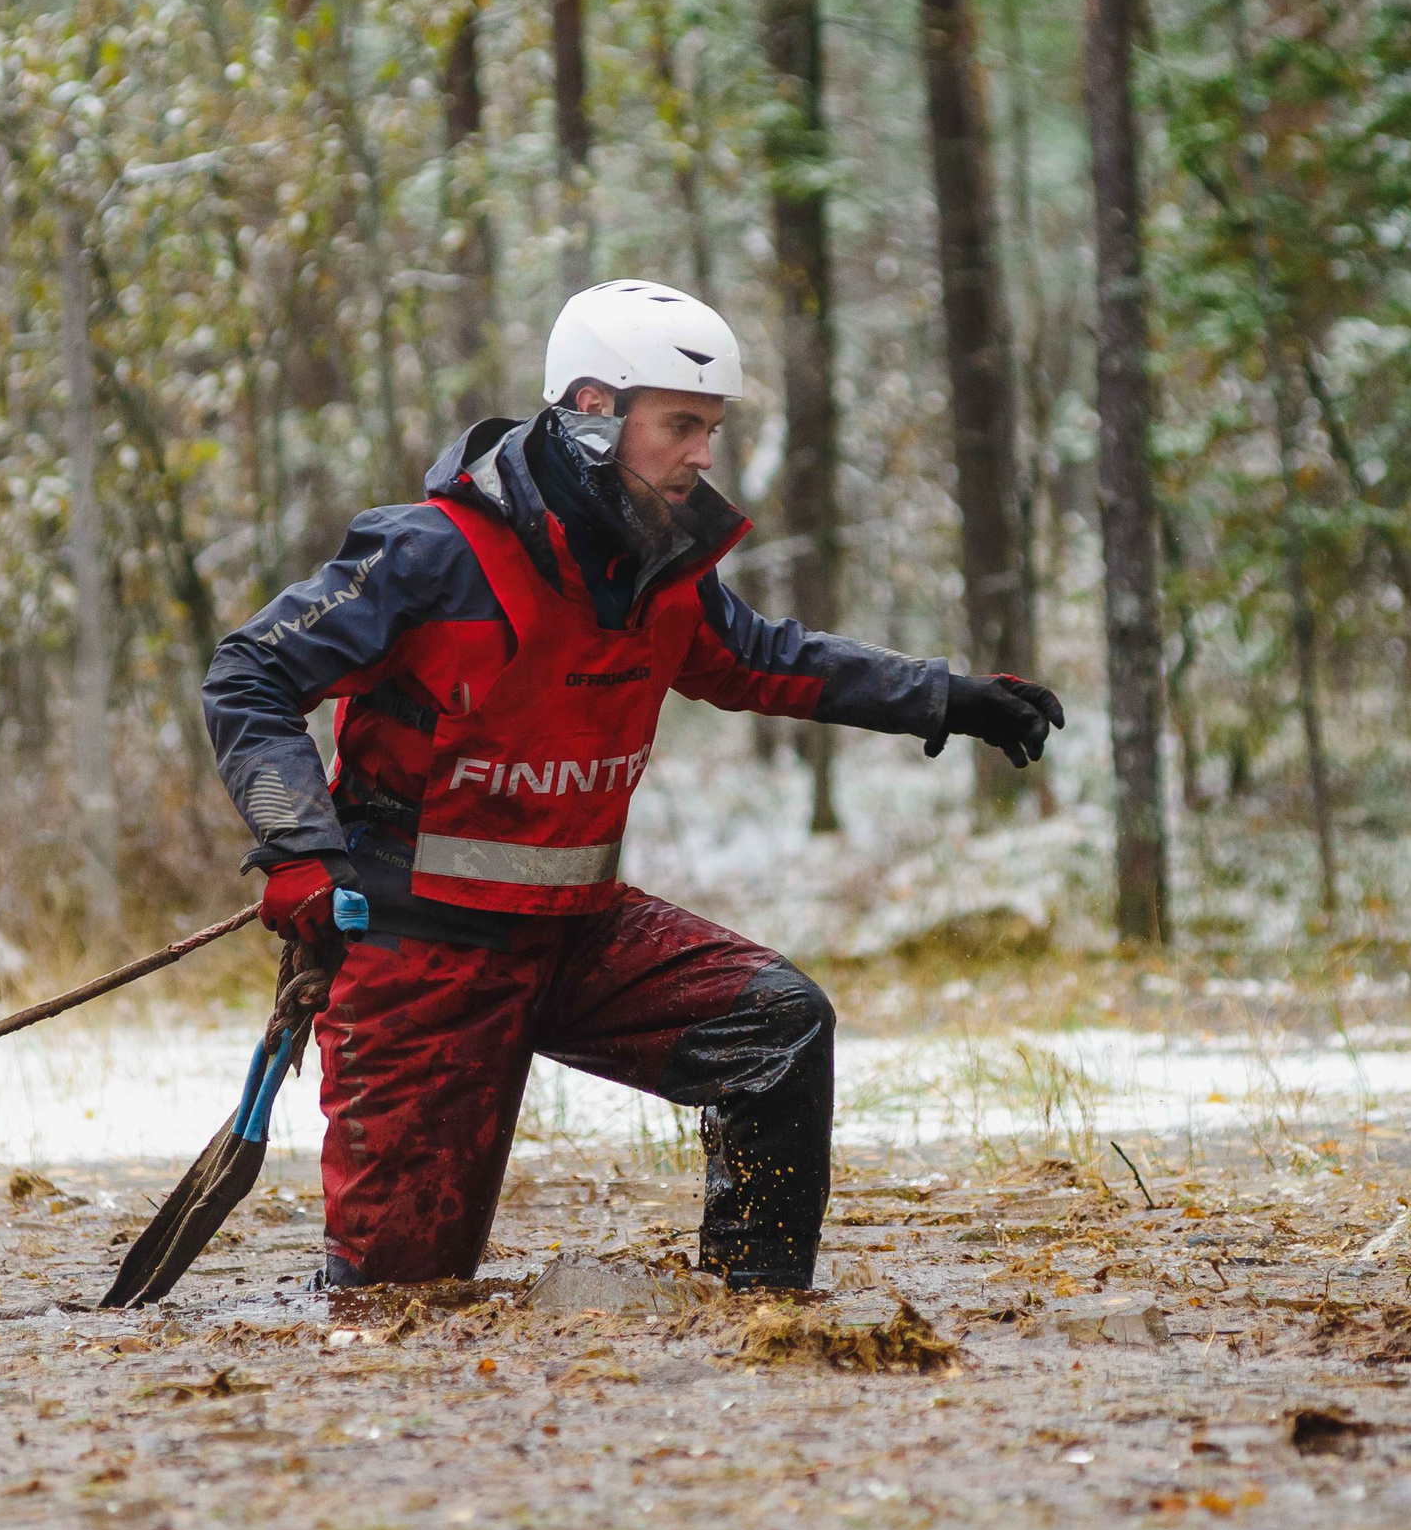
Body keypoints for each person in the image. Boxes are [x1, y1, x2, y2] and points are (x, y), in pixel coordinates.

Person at [202, 280, 1064, 1290]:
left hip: (578, 933)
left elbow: (762, 658)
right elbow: (251, 672)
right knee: (401, 1298)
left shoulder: (661, 571)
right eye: (683, 425)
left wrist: (944, 698)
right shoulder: (429, 553)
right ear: (592, 411)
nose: (704, 453)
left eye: (712, 428)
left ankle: (758, 1322)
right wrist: (299, 846)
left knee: (777, 1024)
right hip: (422, 957)